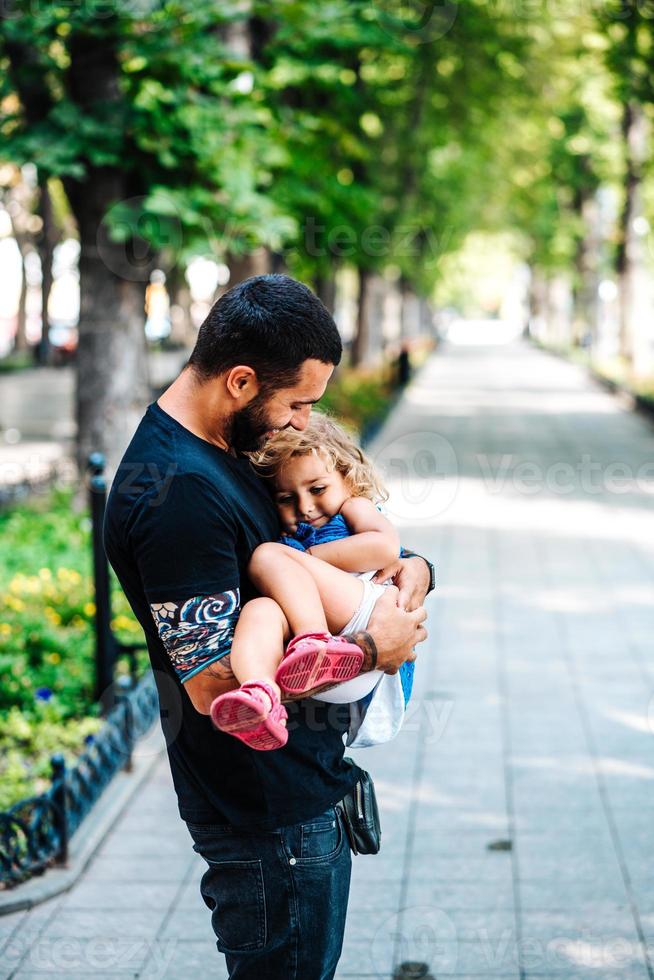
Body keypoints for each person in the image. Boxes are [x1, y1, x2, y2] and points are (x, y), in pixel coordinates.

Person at [103, 274, 433, 980]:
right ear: (243, 380)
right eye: (297, 403)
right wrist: (376, 649)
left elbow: (316, 546)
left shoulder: (229, 446)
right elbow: (212, 683)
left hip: (298, 796)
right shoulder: (178, 494)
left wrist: (415, 567)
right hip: (267, 821)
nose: (300, 421)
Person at [210, 411, 415, 752]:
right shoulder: (293, 532)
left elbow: (385, 546)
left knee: (266, 556)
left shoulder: (353, 505)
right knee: (261, 610)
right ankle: (262, 696)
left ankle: (314, 641)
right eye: (286, 498)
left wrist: (307, 560)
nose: (305, 507)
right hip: (325, 671)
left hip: (365, 618)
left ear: (348, 477)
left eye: (318, 488)